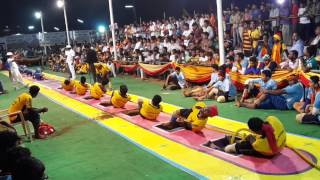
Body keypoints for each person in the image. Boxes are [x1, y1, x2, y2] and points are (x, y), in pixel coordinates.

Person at [237, 75, 304, 111]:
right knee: (260, 105)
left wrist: (266, 91)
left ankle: (254, 103)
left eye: (290, 81)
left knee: (268, 94)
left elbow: (279, 91)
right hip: (281, 101)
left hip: (285, 104)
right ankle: (243, 104)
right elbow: (280, 91)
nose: (289, 82)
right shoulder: (295, 85)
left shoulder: (296, 86)